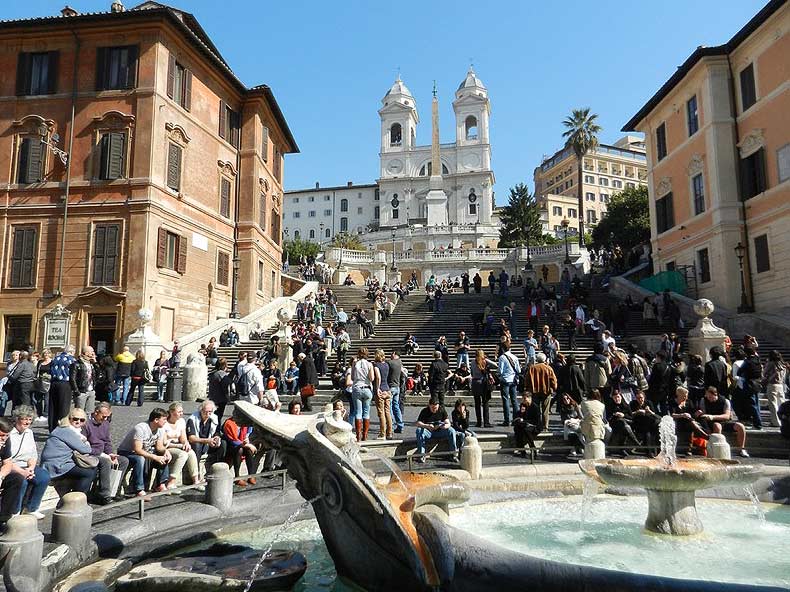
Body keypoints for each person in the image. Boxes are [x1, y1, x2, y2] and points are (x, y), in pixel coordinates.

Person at [40, 407, 98, 498]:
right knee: (89, 473)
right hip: (56, 466)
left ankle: (79, 495)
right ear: (69, 419)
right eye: (75, 419)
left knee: (90, 468)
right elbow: (85, 450)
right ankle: (77, 499)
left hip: (61, 462)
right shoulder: (67, 431)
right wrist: (86, 443)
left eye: (82, 420)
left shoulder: (65, 430)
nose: (78, 422)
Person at [82, 402, 129, 504]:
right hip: (91, 453)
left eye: (107, 417)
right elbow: (85, 446)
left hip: (103, 452)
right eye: (103, 416)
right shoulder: (86, 424)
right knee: (105, 462)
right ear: (96, 412)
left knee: (123, 461)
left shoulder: (105, 424)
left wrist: (111, 453)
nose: (105, 419)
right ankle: (105, 494)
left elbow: (107, 441)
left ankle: (114, 490)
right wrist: (103, 455)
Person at [7, 406, 50, 518]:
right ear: (17, 419)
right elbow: (7, 459)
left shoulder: (29, 433)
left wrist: (31, 467)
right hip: (12, 466)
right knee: (22, 481)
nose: (27, 422)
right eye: (25, 419)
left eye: (30, 419)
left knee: (43, 476)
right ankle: (14, 511)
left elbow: (33, 454)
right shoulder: (9, 433)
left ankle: (32, 508)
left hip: (26, 465)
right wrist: (22, 472)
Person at [118, 407, 172, 496]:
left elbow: (159, 447)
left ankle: (161, 484)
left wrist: (166, 451)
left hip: (146, 451)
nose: (166, 422)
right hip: (127, 452)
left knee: (164, 457)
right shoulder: (140, 428)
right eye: (164, 419)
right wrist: (155, 457)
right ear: (156, 420)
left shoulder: (161, 429)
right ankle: (139, 489)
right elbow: (137, 449)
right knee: (140, 459)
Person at [696, 386, 749, 457]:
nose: (709, 399)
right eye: (707, 397)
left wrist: (713, 417)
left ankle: (742, 449)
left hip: (723, 421)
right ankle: (717, 448)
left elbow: (727, 416)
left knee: (740, 426)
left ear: (716, 394)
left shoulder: (725, 401)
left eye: (711, 397)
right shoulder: (703, 400)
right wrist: (700, 413)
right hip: (711, 423)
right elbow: (703, 414)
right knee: (717, 426)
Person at [161, 403, 200, 489]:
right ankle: (171, 481)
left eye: (182, 411)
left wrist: (186, 443)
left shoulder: (181, 421)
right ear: (171, 412)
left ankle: (196, 480)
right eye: (179, 412)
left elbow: (183, 438)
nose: (181, 413)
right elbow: (164, 443)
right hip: (167, 447)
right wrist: (180, 446)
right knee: (183, 455)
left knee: (191, 452)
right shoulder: (165, 423)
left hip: (178, 445)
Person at [0, 418, 26, 526]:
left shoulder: (6, 441)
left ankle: (3, 518)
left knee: (17, 479)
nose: (4, 438)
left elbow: (8, 463)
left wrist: (1, 477)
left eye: (7, 435)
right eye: (1, 435)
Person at [186, 401, 222, 477]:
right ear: (201, 410)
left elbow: (217, 432)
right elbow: (191, 438)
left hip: (208, 445)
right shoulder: (192, 419)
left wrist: (216, 437)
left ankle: (217, 471)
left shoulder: (214, 418)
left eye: (210, 411)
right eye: (205, 411)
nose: (207, 413)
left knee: (223, 444)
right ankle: (197, 474)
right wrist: (207, 441)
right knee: (197, 445)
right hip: (197, 444)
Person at [414, 399, 457, 463]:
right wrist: (427, 426)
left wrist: (444, 426)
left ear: (438, 406)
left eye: (436, 408)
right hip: (428, 432)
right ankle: (422, 455)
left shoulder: (441, 410)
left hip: (440, 431)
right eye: (432, 408)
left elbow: (448, 423)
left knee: (451, 430)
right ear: (429, 406)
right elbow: (417, 423)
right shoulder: (424, 411)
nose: (434, 409)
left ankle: (453, 454)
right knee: (419, 430)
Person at [223, 415, 260, 487]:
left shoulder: (244, 422)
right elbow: (233, 441)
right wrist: (247, 445)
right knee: (239, 450)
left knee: (248, 451)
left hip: (242, 444)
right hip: (230, 446)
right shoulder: (228, 423)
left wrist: (247, 438)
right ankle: (237, 477)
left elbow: (249, 430)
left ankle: (251, 475)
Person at [669, 387, 708, 455]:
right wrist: (682, 415)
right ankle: (704, 434)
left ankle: (690, 448)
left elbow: (693, 412)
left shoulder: (688, 402)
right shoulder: (672, 402)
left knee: (693, 422)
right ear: (679, 395)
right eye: (684, 396)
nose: (685, 398)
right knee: (692, 423)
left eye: (686, 396)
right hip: (678, 421)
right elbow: (672, 415)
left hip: (688, 421)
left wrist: (697, 412)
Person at [526, 353, 557, 432]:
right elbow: (553, 380)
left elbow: (527, 380)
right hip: (546, 392)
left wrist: (527, 389)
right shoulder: (548, 368)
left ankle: (537, 425)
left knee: (536, 409)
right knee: (545, 410)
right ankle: (545, 427)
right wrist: (553, 388)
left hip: (534, 391)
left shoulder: (532, 368)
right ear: (544, 359)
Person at [48, 345, 77, 432]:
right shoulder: (72, 360)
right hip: (65, 383)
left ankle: (52, 428)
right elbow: (73, 375)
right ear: (72, 352)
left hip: (54, 383)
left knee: (53, 407)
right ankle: (62, 429)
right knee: (64, 408)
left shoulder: (55, 358)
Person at [605, 390, 641, 455]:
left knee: (623, 425)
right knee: (622, 423)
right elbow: (608, 418)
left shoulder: (626, 405)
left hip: (627, 422)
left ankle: (622, 448)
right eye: (615, 398)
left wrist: (623, 415)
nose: (617, 399)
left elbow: (631, 417)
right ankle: (636, 443)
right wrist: (614, 415)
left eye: (618, 397)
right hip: (615, 423)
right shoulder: (610, 406)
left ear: (621, 397)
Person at [351, 348, 375, 442]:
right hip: (367, 388)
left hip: (357, 387)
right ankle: (365, 435)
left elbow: (352, 377)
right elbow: (372, 378)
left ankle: (358, 436)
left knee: (358, 412)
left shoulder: (355, 364)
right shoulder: (369, 364)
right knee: (366, 412)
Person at [737, 347, 763, 430]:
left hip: (749, 384)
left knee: (752, 404)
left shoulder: (747, 361)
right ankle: (758, 421)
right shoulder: (757, 360)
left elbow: (739, 372)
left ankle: (757, 424)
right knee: (757, 403)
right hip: (757, 383)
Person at [497, 343, 521, 427]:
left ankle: (507, 420)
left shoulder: (502, 357)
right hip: (513, 380)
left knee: (505, 400)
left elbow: (500, 370)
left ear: (503, 349)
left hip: (505, 380)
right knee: (514, 400)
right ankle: (516, 419)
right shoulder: (515, 357)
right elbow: (518, 369)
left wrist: (499, 376)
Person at [629, 390, 660, 454]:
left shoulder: (648, 403)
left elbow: (654, 414)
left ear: (644, 397)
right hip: (638, 423)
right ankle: (649, 451)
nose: (640, 400)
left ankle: (654, 450)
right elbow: (629, 414)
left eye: (641, 398)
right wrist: (637, 412)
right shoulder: (632, 403)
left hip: (649, 422)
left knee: (654, 427)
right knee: (647, 432)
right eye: (638, 398)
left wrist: (649, 411)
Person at [70, 346, 99, 413]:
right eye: (92, 351)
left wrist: (95, 363)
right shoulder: (76, 364)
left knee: (90, 413)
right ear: (86, 353)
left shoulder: (92, 364)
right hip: (81, 391)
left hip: (91, 391)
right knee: (79, 413)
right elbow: (72, 379)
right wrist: (77, 392)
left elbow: (100, 375)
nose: (93, 353)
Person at [762, 350, 787, 428]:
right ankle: (783, 420)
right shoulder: (782, 364)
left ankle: (776, 422)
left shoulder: (771, 364)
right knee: (781, 404)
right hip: (781, 385)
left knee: (773, 404)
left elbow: (764, 373)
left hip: (772, 385)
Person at [372, 349, 393, 440]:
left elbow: (378, 377)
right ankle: (390, 433)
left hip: (380, 390)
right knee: (387, 412)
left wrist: (377, 388)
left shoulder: (376, 365)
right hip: (387, 389)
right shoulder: (387, 365)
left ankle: (382, 433)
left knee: (381, 413)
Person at [207, 358, 233, 425]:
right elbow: (225, 387)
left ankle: (215, 428)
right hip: (220, 398)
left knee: (214, 415)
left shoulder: (213, 373)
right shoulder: (222, 374)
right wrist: (228, 397)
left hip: (213, 396)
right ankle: (217, 429)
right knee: (218, 415)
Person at [387, 352, 405, 434]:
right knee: (396, 406)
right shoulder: (400, 362)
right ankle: (400, 425)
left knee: (389, 407)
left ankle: (392, 425)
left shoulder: (390, 362)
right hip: (397, 386)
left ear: (394, 353)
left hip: (390, 386)